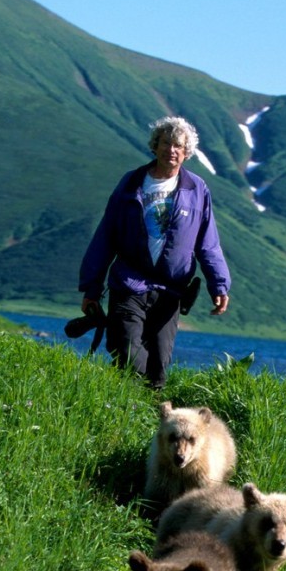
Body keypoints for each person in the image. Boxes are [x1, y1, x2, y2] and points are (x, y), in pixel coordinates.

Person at [78, 116, 231, 389]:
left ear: (186, 153)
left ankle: (151, 420)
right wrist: (92, 288)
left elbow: (208, 242)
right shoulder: (132, 183)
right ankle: (122, 411)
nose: (171, 150)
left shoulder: (197, 189)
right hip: (129, 283)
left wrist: (218, 284)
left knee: (158, 368)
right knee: (127, 354)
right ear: (155, 146)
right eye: (165, 143)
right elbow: (106, 236)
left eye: (178, 146)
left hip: (171, 291)